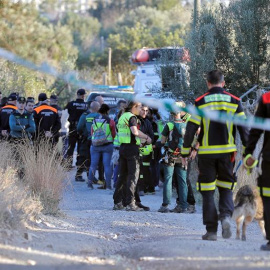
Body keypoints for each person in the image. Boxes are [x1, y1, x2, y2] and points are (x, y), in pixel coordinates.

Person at [181, 70, 249, 241]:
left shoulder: (200, 101)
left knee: (207, 191)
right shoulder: (235, 101)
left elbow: (190, 129)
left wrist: (185, 151)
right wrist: (248, 151)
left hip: (206, 154)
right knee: (226, 187)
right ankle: (225, 217)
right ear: (223, 83)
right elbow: (243, 128)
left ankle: (211, 231)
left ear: (208, 83)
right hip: (228, 153)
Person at [243, 90, 270, 251]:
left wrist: (248, 153)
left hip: (269, 159)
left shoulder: (267, 98)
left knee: (268, 197)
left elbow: (256, 130)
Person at [113, 101, 152, 211]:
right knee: (133, 176)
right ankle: (130, 203)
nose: (141, 109)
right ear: (134, 107)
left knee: (123, 176)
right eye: (139, 107)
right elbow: (135, 132)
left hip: (123, 148)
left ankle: (117, 202)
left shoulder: (122, 116)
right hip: (131, 149)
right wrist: (146, 137)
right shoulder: (132, 117)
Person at [158, 101, 190, 213]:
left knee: (168, 180)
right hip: (183, 157)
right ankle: (184, 206)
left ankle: (165, 205)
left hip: (170, 155)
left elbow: (162, 141)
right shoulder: (187, 125)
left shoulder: (169, 125)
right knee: (182, 181)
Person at [88, 104, 116, 189]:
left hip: (95, 145)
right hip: (107, 145)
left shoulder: (95, 120)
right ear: (107, 111)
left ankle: (90, 184)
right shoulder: (110, 121)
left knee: (93, 165)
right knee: (107, 165)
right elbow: (113, 133)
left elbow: (92, 132)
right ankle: (108, 186)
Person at [76, 101, 100, 182]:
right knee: (85, 158)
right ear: (96, 107)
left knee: (87, 158)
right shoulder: (93, 116)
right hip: (88, 140)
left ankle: (88, 176)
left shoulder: (85, 115)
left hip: (86, 139)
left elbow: (79, 127)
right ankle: (80, 175)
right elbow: (79, 127)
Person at [65, 89, 88, 168]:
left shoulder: (71, 104)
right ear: (83, 95)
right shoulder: (86, 105)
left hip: (72, 128)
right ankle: (79, 164)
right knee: (80, 147)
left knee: (71, 146)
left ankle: (68, 164)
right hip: (82, 129)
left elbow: (66, 112)